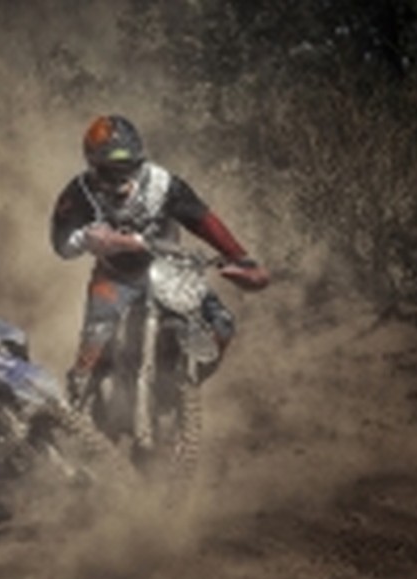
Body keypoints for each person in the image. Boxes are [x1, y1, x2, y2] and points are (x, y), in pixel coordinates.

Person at [50, 114, 270, 407]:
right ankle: (76, 403)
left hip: (170, 272)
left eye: (127, 168)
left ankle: (184, 384)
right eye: (108, 171)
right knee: (96, 336)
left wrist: (240, 258)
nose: (118, 179)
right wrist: (87, 238)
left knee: (222, 324)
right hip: (116, 276)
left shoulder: (163, 185)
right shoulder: (79, 193)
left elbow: (202, 220)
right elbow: (61, 244)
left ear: (139, 162)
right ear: (92, 164)